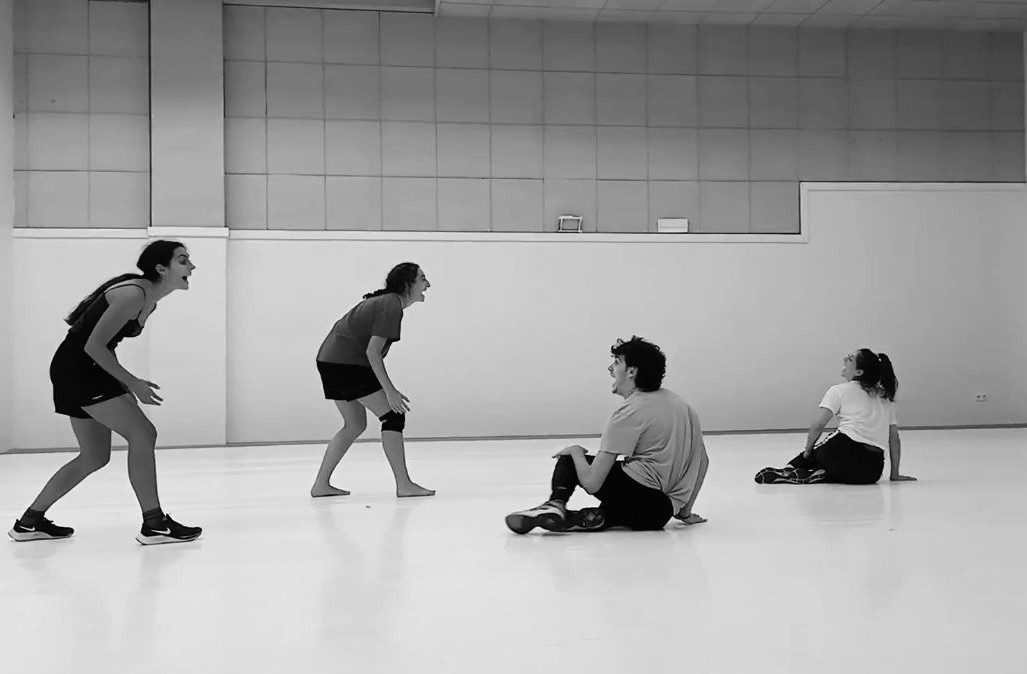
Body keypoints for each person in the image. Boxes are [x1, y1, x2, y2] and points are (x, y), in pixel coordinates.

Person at [8, 240, 203, 545]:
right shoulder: (133, 295)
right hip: (79, 370)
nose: (191, 266)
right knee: (143, 434)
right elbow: (94, 346)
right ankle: (154, 524)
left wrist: (121, 383)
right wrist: (133, 382)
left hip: (85, 368)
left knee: (94, 456)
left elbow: (104, 345)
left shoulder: (148, 299)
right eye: (183, 260)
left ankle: (29, 523)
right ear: (161, 268)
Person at [505, 336, 709, 534]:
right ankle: (599, 517)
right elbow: (703, 462)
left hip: (635, 496)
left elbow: (592, 482)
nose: (610, 368)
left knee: (570, 461)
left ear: (631, 371)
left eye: (617, 362)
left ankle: (556, 504)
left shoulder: (629, 412)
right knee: (618, 502)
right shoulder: (683, 407)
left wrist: (575, 452)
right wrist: (685, 511)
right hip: (658, 513)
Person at [312, 262, 435, 499]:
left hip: (331, 361)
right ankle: (404, 485)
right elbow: (373, 352)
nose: (428, 284)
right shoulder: (391, 305)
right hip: (344, 363)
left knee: (354, 424)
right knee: (393, 415)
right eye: (422, 279)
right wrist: (390, 391)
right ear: (407, 284)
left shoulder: (386, 303)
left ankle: (321, 485)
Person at [755, 348, 916, 485]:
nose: (844, 359)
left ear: (859, 372)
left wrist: (807, 452)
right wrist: (894, 474)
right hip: (871, 472)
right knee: (841, 466)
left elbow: (818, 425)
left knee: (814, 452)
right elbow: (894, 439)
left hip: (841, 452)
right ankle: (822, 474)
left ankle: (790, 469)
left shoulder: (839, 391)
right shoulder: (885, 397)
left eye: (850, 359)